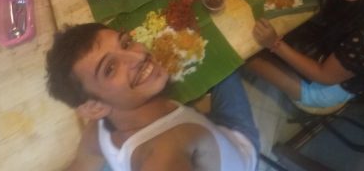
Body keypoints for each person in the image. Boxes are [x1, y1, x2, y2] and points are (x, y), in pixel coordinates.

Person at [46, 23, 259, 171]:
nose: (139, 56)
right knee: (227, 64)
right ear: (94, 107)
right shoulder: (164, 153)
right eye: (110, 68)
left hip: (208, 132)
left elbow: (81, 165)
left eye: (126, 43)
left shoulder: (97, 130)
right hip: (240, 146)